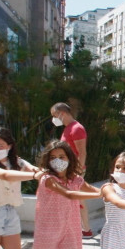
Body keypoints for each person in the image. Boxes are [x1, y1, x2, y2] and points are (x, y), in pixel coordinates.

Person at [50, 102, 94, 238]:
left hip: (73, 171)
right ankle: (85, 229)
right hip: (68, 170)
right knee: (77, 201)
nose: (53, 119)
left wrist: (78, 171)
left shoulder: (76, 129)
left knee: (77, 200)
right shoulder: (69, 128)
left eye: (54, 115)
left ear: (62, 113)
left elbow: (82, 152)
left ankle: (85, 229)